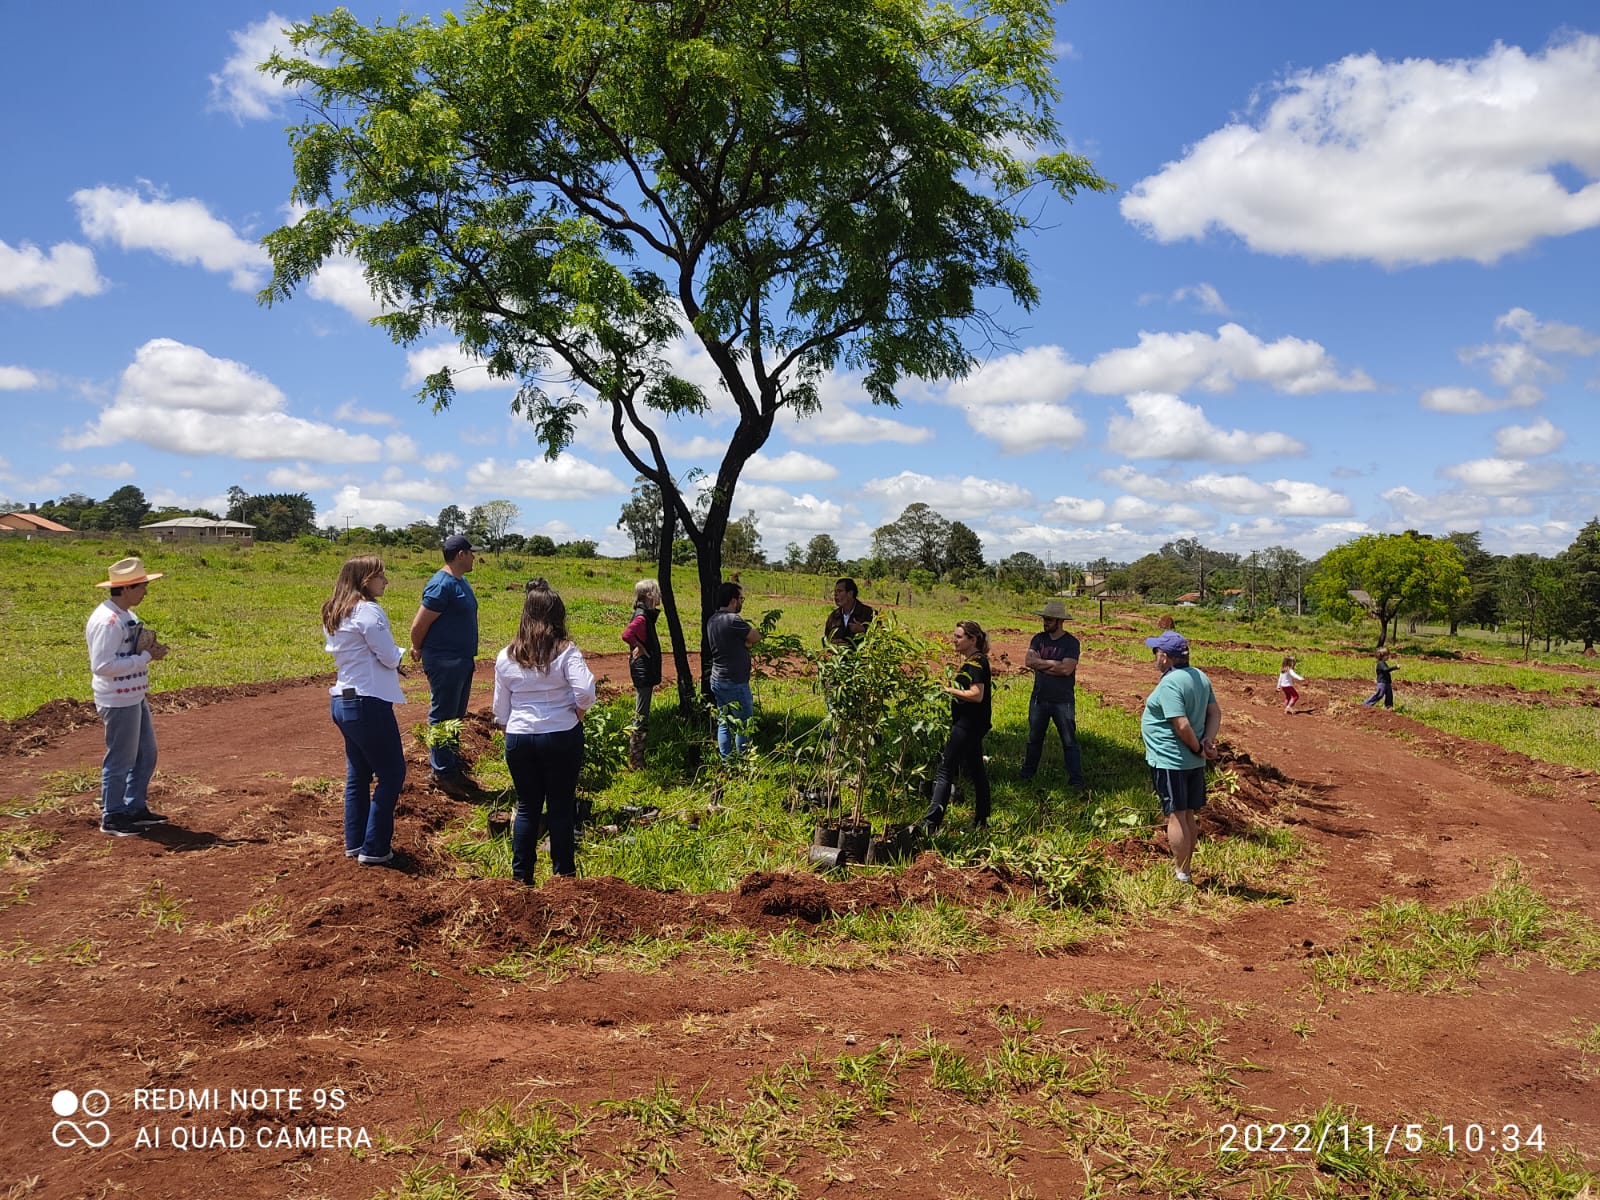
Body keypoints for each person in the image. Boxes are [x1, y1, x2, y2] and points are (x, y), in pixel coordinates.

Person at [493, 579, 596, 884]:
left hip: (519, 737)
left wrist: (514, 732)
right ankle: (563, 878)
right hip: (561, 734)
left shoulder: (506, 655)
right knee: (561, 806)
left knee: (527, 806)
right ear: (558, 616)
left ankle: (521, 879)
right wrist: (576, 715)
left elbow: (500, 710)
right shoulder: (566, 651)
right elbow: (586, 692)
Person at [322, 555, 407, 867]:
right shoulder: (368, 610)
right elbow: (387, 654)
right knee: (393, 773)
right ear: (364, 580)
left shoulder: (334, 610)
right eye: (380, 576)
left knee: (358, 773)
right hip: (368, 701)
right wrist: (399, 657)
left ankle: (355, 842)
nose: (385, 582)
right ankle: (374, 848)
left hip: (343, 700)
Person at [86, 556, 170, 837]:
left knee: (146, 754)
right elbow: (102, 666)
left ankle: (134, 807)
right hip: (118, 698)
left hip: (134, 694)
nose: (145, 591)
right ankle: (112, 815)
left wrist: (147, 652)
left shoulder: (126, 616)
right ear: (125, 588)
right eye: (142, 586)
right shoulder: (107, 622)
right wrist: (145, 657)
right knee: (121, 758)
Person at [1141, 630, 1221, 885]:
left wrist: (1198, 747)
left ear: (1165, 657)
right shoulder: (1199, 676)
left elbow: (1182, 725)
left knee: (1175, 815)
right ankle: (1185, 869)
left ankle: (1181, 873)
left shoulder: (1170, 683)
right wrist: (1208, 741)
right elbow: (1215, 713)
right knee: (1187, 815)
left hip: (1170, 760)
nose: (1154, 657)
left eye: (1156, 652)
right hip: (1191, 761)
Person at [410, 534, 481, 797]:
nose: (474, 557)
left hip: (461, 659)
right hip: (444, 660)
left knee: (455, 717)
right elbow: (419, 624)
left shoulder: (460, 582)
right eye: (471, 552)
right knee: (443, 717)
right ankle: (441, 771)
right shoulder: (441, 584)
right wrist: (417, 647)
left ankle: (450, 765)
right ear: (460, 554)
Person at [919, 620, 993, 835]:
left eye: (959, 637)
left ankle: (931, 823)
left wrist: (948, 690)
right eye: (955, 636)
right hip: (973, 724)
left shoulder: (976, 663)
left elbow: (976, 695)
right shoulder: (974, 660)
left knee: (945, 770)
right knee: (977, 770)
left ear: (973, 639)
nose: (954, 640)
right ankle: (981, 819)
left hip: (967, 725)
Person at [1019, 599, 1085, 791]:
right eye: (1044, 619)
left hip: (1062, 701)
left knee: (1069, 741)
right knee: (1034, 739)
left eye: (1048, 619)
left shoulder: (1071, 642)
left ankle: (1076, 780)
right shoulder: (1038, 639)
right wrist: (1054, 664)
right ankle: (1027, 774)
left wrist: (1042, 663)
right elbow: (1029, 661)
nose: (1045, 622)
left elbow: (1066, 669)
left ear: (1059, 621)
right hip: (1039, 698)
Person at [706, 580, 761, 759]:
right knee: (744, 724)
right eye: (741, 599)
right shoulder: (733, 620)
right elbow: (755, 637)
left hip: (718, 679)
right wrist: (747, 642)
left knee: (725, 721)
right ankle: (744, 761)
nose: (741, 603)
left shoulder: (712, 620)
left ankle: (727, 761)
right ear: (733, 600)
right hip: (735, 681)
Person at [621, 578, 663, 769]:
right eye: (657, 591)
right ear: (649, 595)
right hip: (642, 669)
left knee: (642, 712)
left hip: (644, 668)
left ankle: (636, 758)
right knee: (641, 714)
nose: (659, 595)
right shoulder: (641, 617)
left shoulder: (645, 615)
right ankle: (636, 760)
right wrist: (640, 647)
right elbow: (626, 635)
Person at [823, 578, 874, 646]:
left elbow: (880, 639)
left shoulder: (869, 614)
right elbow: (826, 640)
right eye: (835, 591)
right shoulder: (833, 617)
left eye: (840, 591)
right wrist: (832, 644)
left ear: (850, 593)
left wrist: (864, 630)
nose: (835, 594)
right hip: (838, 656)